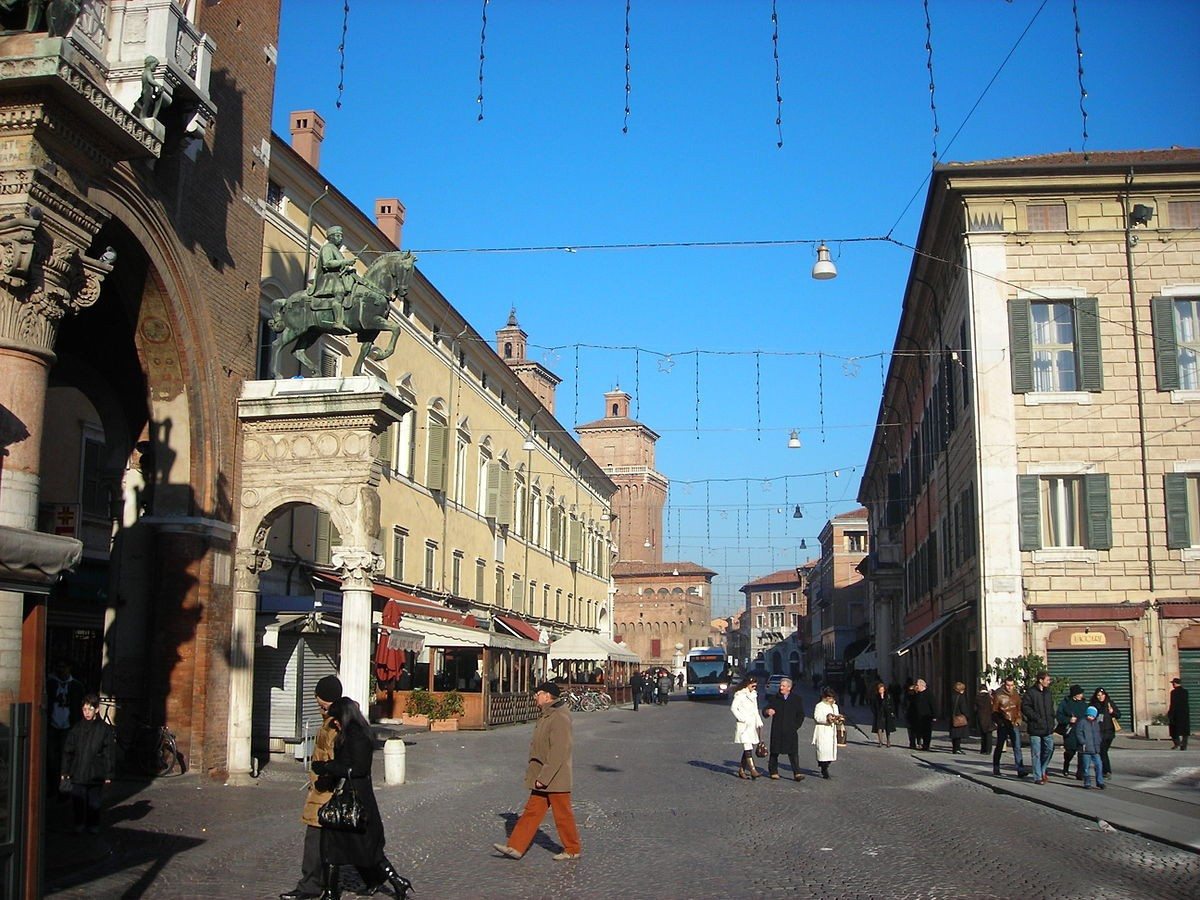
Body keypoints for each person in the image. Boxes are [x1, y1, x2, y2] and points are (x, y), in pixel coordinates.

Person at [309, 697, 413, 900]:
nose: (335, 724)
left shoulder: (357, 736)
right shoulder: (349, 733)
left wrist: (328, 766)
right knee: (332, 844)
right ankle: (332, 892)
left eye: (337, 720)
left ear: (345, 717)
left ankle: (397, 881)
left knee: (366, 847)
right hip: (346, 795)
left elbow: (358, 768)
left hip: (355, 797)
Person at [493, 682, 581, 860]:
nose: (535, 696)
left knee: (562, 814)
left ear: (547, 696)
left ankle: (572, 849)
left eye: (538, 693)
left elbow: (559, 750)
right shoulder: (548, 714)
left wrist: (545, 777)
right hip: (544, 775)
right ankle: (516, 847)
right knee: (531, 812)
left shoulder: (559, 717)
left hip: (555, 776)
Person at [60, 692, 114, 834]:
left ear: (96, 709)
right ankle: (79, 823)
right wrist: (64, 771)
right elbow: (68, 750)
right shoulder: (77, 728)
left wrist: (108, 774)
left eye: (90, 709)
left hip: (95, 771)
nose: (87, 712)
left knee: (94, 802)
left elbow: (108, 753)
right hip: (78, 770)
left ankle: (93, 824)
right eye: (85, 709)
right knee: (78, 800)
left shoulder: (104, 729)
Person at [308, 226, 359, 330]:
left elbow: (340, 265)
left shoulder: (335, 250)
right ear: (331, 237)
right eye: (338, 236)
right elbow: (328, 263)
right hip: (330, 278)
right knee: (339, 293)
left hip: (338, 277)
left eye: (341, 236)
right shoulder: (327, 248)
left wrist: (348, 267)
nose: (340, 238)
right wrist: (345, 262)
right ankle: (338, 322)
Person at [47, 659, 85, 795]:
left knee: (66, 757)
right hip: (52, 724)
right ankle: (52, 786)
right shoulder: (50, 684)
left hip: (68, 725)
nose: (61, 670)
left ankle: (65, 788)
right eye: (59, 666)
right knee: (52, 757)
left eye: (64, 666)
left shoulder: (76, 686)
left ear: (69, 668)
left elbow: (79, 707)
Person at [764, 677, 806, 780]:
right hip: (777, 729)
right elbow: (765, 709)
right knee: (774, 752)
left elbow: (801, 715)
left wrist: (795, 726)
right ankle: (773, 771)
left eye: (783, 686)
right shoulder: (775, 698)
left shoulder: (796, 699)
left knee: (793, 753)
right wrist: (767, 711)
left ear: (789, 688)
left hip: (790, 730)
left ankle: (797, 773)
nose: (781, 687)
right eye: (780, 685)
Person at [1021, 670, 1056, 785]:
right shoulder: (1031, 693)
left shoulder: (1048, 692)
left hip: (1047, 727)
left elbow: (1051, 708)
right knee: (1036, 753)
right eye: (1047, 680)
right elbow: (1025, 707)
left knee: (1049, 749)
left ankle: (1042, 769)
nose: (1049, 682)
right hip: (1035, 727)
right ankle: (1037, 776)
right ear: (1040, 680)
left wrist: (1052, 720)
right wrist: (1036, 717)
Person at [992, 676, 1028, 778]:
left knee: (1017, 746)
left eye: (1011, 685)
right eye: (1008, 685)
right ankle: (996, 766)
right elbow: (994, 712)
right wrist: (1000, 723)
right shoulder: (999, 695)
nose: (1009, 687)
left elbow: (1018, 709)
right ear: (1004, 684)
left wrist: (1019, 719)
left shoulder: (1016, 695)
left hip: (1013, 723)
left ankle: (1020, 769)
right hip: (1003, 724)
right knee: (1000, 745)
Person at [729, 676, 764, 780]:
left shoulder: (754, 695)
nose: (754, 688)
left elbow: (755, 710)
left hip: (752, 724)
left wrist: (759, 721)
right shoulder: (740, 694)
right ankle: (753, 770)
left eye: (755, 686)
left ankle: (741, 769)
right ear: (747, 684)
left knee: (749, 747)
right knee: (747, 746)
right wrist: (742, 718)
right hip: (743, 725)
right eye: (752, 685)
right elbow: (733, 708)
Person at [1056, 685, 1089, 781]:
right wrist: (1068, 719)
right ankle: (1066, 764)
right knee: (1070, 751)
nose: (1081, 695)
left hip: (1082, 731)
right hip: (1070, 731)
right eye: (1079, 693)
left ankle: (1080, 773)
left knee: (1081, 752)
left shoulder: (1084, 704)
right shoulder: (1065, 703)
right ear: (1074, 695)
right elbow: (1059, 716)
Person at [1088, 688, 1121, 777]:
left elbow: (1118, 715)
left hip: (1109, 732)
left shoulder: (1109, 703)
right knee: (1102, 751)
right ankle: (1106, 771)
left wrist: (1112, 712)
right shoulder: (1093, 705)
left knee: (1103, 751)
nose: (1100, 697)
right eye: (1098, 695)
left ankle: (1102, 769)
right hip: (1098, 732)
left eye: (1102, 695)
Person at [812, 687, 841, 779]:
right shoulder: (819, 706)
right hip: (822, 731)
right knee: (822, 751)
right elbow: (817, 717)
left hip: (831, 732)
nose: (831, 699)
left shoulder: (835, 706)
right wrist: (827, 719)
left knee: (829, 754)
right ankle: (824, 770)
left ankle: (825, 764)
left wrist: (838, 719)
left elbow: (837, 716)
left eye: (832, 697)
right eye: (829, 697)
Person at [1075, 706, 1105, 790]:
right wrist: (1082, 742)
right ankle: (1087, 783)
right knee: (1086, 766)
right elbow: (1078, 733)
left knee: (1099, 765)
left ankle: (1100, 781)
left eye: (1092, 716)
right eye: (1089, 715)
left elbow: (1098, 734)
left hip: (1095, 749)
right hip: (1085, 749)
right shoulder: (1082, 722)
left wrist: (1099, 742)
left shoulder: (1096, 723)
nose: (1090, 717)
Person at [869, 681, 896, 748]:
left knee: (888, 727)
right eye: (880, 689)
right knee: (879, 727)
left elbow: (892, 704)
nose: (881, 691)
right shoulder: (876, 697)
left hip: (887, 713)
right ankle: (880, 742)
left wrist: (892, 711)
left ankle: (888, 741)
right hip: (879, 714)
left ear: (884, 689)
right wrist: (875, 712)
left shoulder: (888, 696)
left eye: (882, 689)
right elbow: (873, 705)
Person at [910, 679, 934, 751]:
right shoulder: (917, 694)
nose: (916, 686)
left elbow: (933, 705)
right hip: (918, 717)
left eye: (917, 685)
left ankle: (926, 745)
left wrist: (934, 715)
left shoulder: (929, 694)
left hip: (927, 716)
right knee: (919, 731)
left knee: (927, 732)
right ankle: (921, 744)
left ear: (921, 685)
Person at [1168, 677, 1190, 750]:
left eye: (1173, 683)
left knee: (1173, 729)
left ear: (1175, 683)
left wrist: (1170, 713)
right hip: (1184, 713)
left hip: (1176, 713)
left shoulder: (1173, 692)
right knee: (1185, 731)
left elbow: (1173, 703)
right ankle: (1184, 745)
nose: (1172, 685)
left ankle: (1177, 743)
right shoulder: (1185, 691)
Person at [948, 681, 970, 755]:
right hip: (959, 717)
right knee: (958, 735)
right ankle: (958, 749)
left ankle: (954, 748)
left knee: (954, 735)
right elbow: (963, 708)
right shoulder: (961, 697)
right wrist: (967, 716)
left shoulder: (951, 696)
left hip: (952, 717)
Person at [975, 684, 995, 755]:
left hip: (981, 718)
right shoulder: (989, 697)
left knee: (983, 735)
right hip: (989, 717)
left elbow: (975, 708)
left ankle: (983, 749)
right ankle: (988, 750)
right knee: (989, 735)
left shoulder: (977, 697)